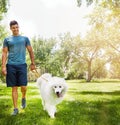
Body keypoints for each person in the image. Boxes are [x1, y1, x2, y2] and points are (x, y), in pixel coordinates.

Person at [1, 20, 36, 115]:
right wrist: (3, 66)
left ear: (18, 27)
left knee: (24, 86)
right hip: (11, 65)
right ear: (11, 29)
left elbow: (30, 51)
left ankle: (23, 97)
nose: (15, 29)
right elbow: (4, 53)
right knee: (14, 88)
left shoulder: (25, 39)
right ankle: (15, 109)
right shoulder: (7, 40)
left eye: (17, 27)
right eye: (13, 28)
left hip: (22, 65)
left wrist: (33, 63)